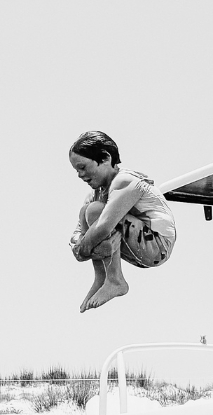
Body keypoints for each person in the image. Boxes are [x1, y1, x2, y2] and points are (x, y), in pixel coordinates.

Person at [68, 130, 177, 312]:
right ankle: (102, 279)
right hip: (138, 245)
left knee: (95, 211)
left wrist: (86, 250)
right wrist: (88, 249)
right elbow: (77, 236)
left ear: (105, 159)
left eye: (83, 167)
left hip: (157, 243)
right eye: (76, 170)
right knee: (86, 211)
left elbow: (103, 227)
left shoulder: (125, 181)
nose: (79, 174)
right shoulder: (95, 194)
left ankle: (115, 280)